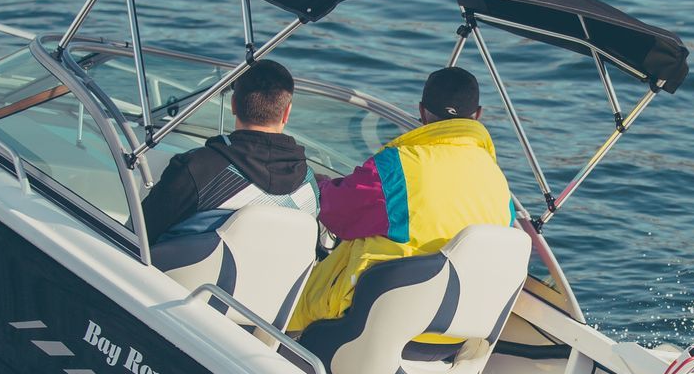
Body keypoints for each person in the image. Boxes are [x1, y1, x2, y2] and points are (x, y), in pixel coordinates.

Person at [287, 67, 515, 332]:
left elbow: (332, 211)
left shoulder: (396, 168)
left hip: (374, 329)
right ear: (478, 115)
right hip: (455, 336)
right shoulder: (499, 183)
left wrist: (321, 181)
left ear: (421, 111)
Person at [142, 59, 312, 243]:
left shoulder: (196, 169)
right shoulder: (309, 185)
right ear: (287, 113)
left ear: (234, 105)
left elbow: (139, 233)